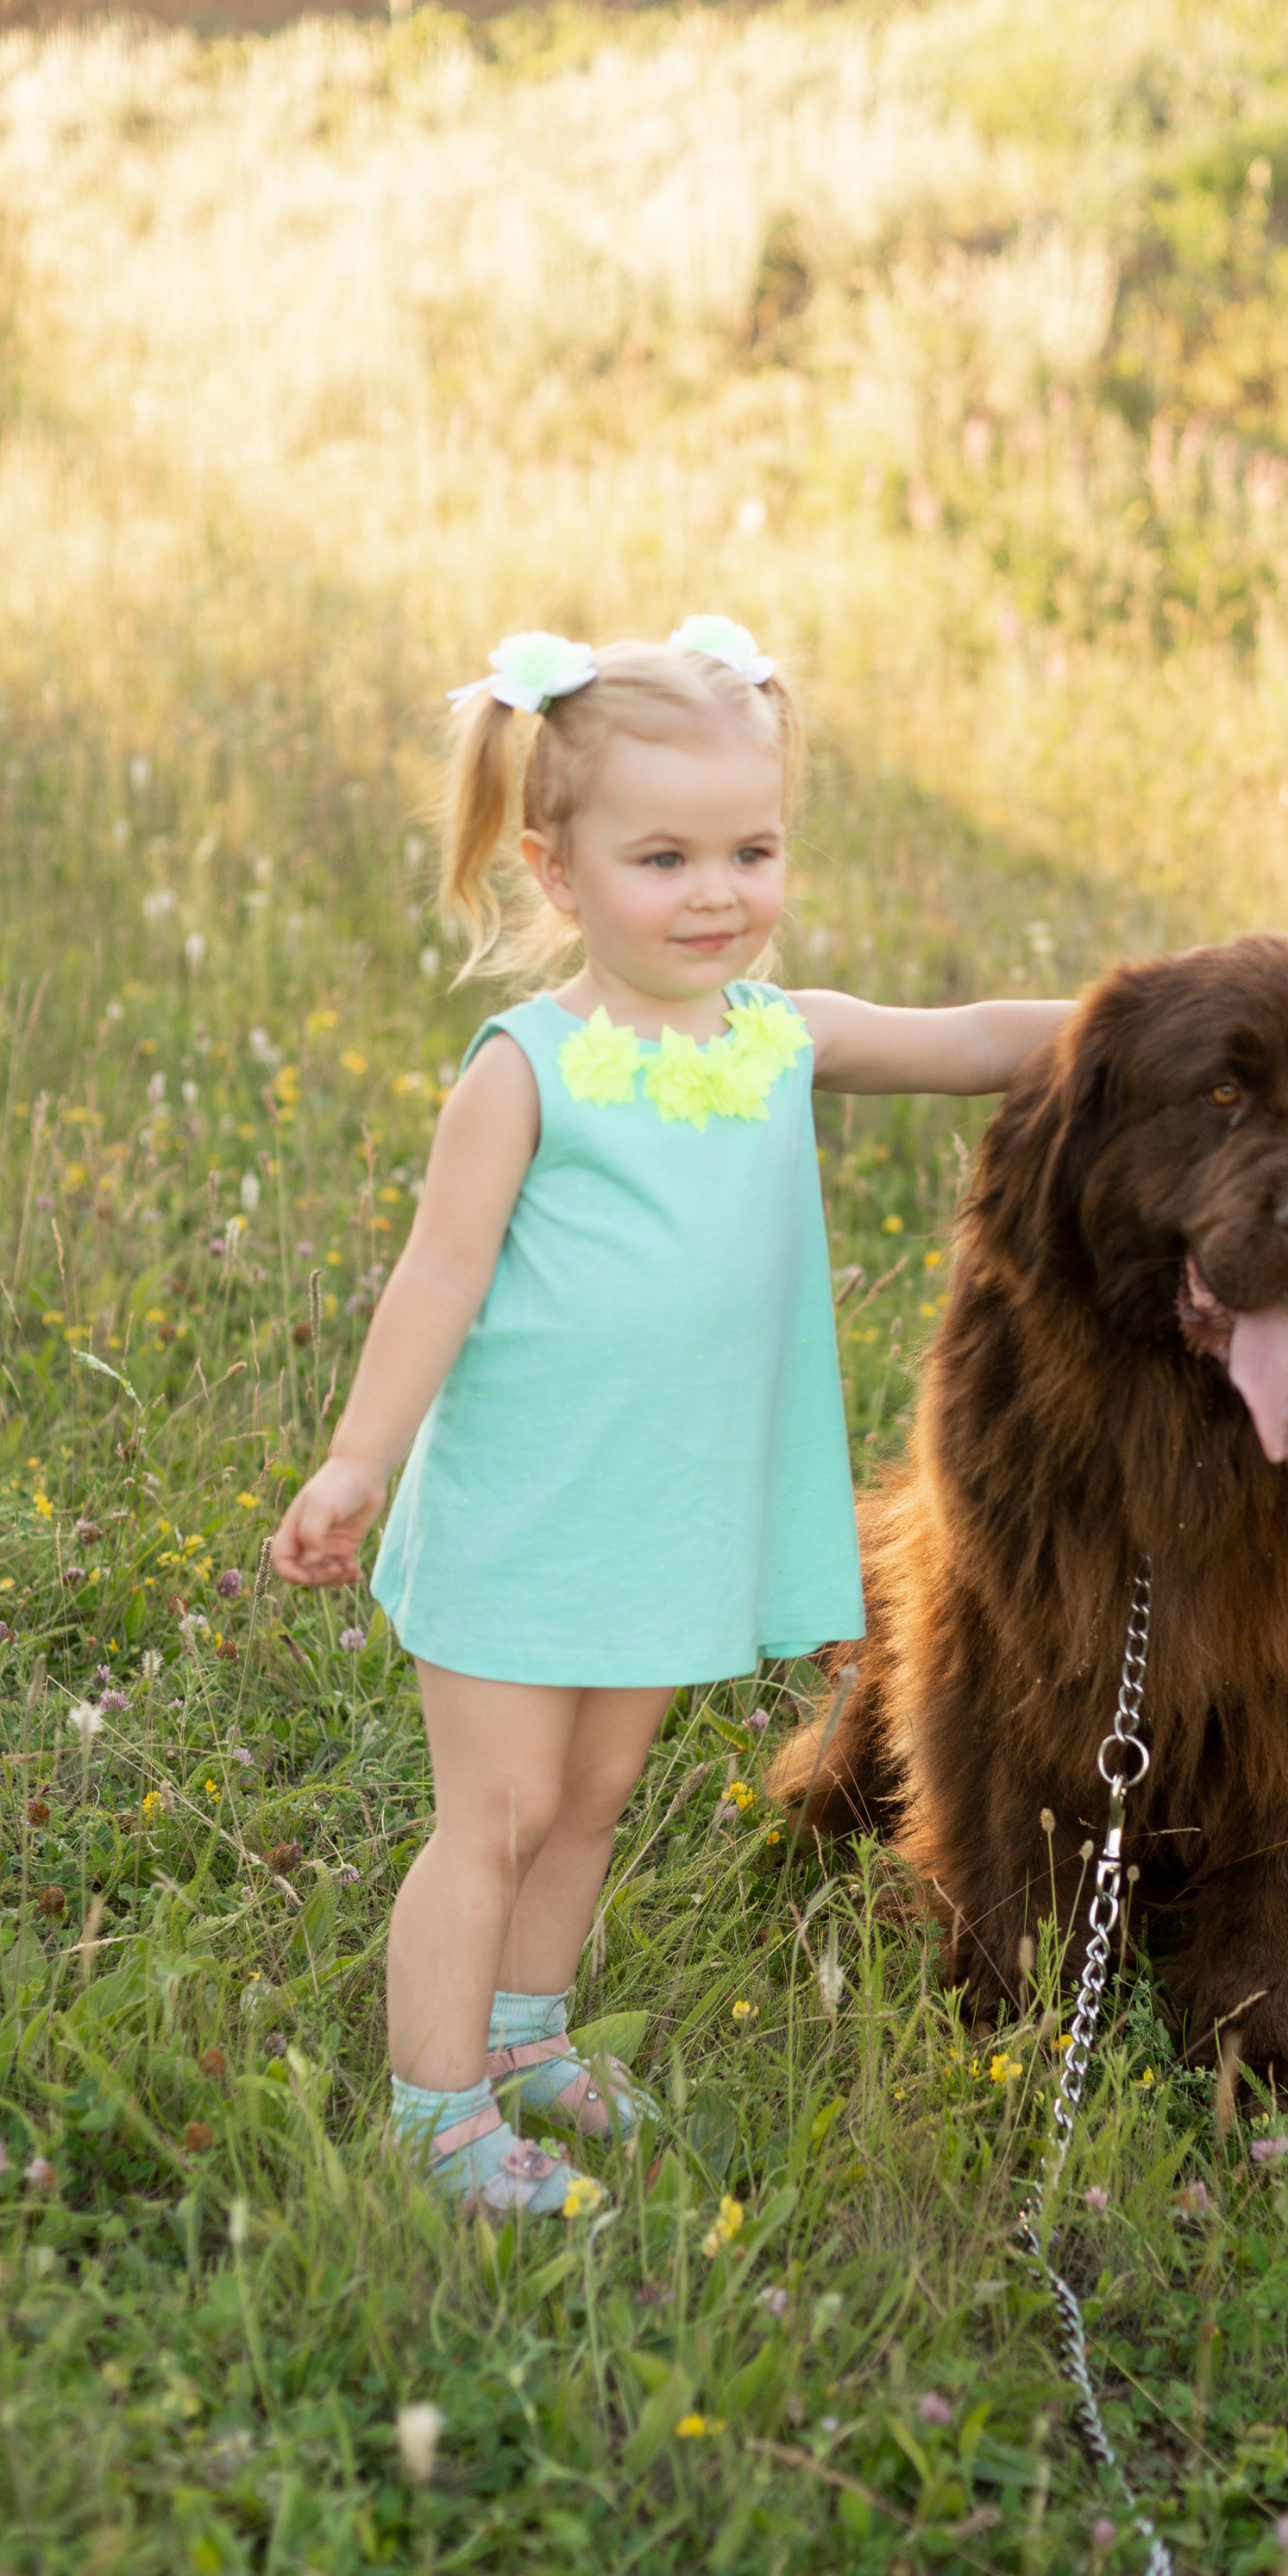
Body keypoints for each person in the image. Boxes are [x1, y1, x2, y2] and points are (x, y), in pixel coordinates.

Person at [269, 614, 1071, 2222]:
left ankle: (523, 2034)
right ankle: (435, 2117)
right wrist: (358, 1456)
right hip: (525, 1513)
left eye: (751, 850)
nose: (717, 894)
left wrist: (1161, 1015)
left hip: (664, 1518)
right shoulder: (530, 1070)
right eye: (664, 858)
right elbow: (434, 1280)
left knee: (591, 1801)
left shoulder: (781, 1041)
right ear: (559, 872)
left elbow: (982, 1042)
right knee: (489, 1815)